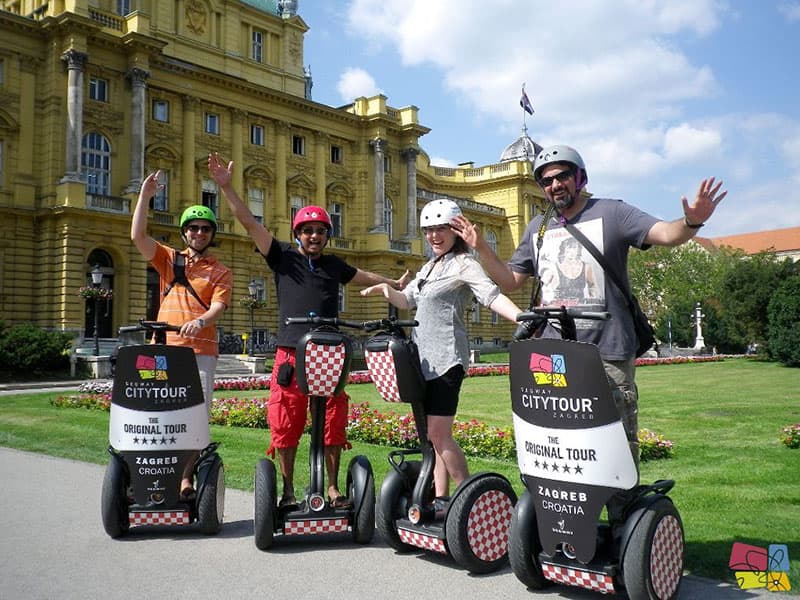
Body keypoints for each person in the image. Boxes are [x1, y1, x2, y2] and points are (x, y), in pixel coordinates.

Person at [453, 144, 726, 486]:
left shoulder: (612, 213)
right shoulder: (538, 228)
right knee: (561, 440)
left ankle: (622, 512)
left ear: (580, 177)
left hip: (607, 351)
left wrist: (692, 221)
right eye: (547, 181)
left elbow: (667, 234)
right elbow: (510, 281)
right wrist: (481, 247)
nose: (555, 185)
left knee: (615, 444)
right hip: (554, 355)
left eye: (563, 176)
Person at [207, 152, 409, 509]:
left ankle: (331, 487)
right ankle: (287, 490)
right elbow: (249, 223)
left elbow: (363, 276)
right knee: (286, 418)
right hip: (291, 351)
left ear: (327, 235)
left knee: (332, 418)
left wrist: (393, 282)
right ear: (297, 233)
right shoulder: (282, 256)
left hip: (329, 351)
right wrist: (226, 187)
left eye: (320, 231)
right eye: (308, 230)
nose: (314, 236)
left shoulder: (333, 264)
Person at [360, 199, 523, 506]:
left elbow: (490, 296)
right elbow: (406, 300)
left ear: (455, 231)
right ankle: (441, 500)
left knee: (439, 434)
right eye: (429, 230)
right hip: (423, 362)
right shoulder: (430, 267)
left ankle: (469, 500)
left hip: (447, 360)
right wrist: (385, 290)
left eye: (441, 229)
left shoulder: (465, 264)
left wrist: (521, 318)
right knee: (431, 439)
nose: (434, 236)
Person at [131, 170, 233, 500]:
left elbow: (218, 306)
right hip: (162, 350)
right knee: (153, 414)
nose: (199, 232)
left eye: (205, 228)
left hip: (201, 352)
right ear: (185, 232)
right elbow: (138, 236)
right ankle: (148, 476)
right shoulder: (169, 259)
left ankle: (185, 478)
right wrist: (145, 197)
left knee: (195, 418)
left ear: (211, 234)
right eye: (193, 227)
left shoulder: (220, 271)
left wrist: (201, 321)